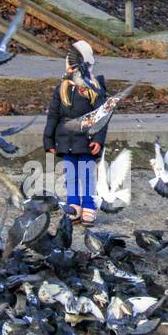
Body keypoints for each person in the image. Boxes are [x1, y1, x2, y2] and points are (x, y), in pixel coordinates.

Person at [43, 41, 107, 225]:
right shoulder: (61, 88)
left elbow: (101, 118)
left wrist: (97, 140)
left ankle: (88, 205)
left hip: (85, 140)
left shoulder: (94, 89)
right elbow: (53, 116)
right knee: (71, 174)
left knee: (86, 174)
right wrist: (48, 140)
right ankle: (73, 205)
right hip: (65, 140)